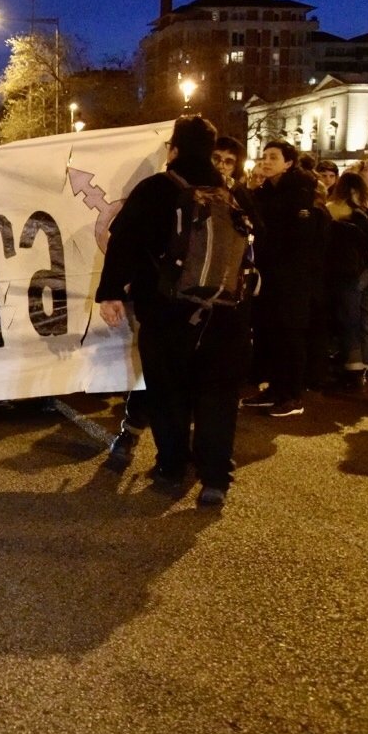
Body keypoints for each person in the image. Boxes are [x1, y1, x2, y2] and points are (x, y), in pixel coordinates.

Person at [96, 116, 253, 507]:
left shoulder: (156, 189)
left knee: (169, 393)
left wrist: (111, 292)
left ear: (175, 150)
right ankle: (215, 477)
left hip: (169, 313)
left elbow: (124, 242)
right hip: (225, 314)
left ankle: (172, 466)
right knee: (217, 396)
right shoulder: (232, 193)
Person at [243, 140, 325, 417]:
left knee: (290, 335)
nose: (266, 161)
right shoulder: (266, 191)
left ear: (288, 163)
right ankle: (275, 388)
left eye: (273, 157)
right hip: (270, 276)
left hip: (293, 278)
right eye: (264, 156)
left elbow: (298, 239)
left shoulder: (300, 193)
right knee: (271, 333)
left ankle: (292, 395)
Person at [325, 171, 368, 390]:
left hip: (348, 271)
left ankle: (352, 368)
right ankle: (366, 367)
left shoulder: (335, 209)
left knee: (348, 320)